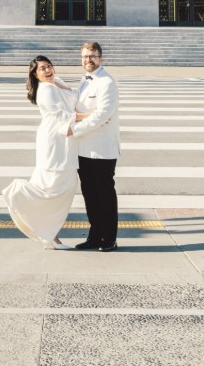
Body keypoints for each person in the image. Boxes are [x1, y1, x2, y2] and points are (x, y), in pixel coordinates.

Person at [2, 56, 88, 249]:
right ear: (35, 74)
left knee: (61, 186)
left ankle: (49, 232)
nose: (48, 70)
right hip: (53, 141)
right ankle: (22, 200)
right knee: (53, 187)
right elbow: (65, 116)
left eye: (49, 66)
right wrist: (94, 115)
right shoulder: (46, 90)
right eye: (42, 69)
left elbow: (73, 102)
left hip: (64, 140)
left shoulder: (57, 82)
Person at [70, 40, 121, 251]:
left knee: (105, 194)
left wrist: (74, 129)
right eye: (85, 56)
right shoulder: (84, 80)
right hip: (83, 149)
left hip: (102, 149)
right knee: (90, 194)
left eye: (92, 56)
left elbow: (102, 116)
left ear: (100, 58)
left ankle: (109, 238)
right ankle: (95, 235)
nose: (88, 60)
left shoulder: (107, 83)